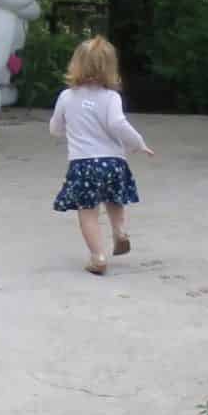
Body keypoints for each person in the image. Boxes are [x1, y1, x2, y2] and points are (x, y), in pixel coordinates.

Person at [49, 36, 154, 275]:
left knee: (88, 212)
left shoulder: (67, 97)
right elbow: (118, 123)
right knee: (115, 198)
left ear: (76, 65)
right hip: (114, 162)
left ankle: (98, 257)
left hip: (83, 164)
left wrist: (67, 129)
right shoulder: (111, 98)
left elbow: (55, 128)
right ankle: (119, 232)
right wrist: (138, 143)